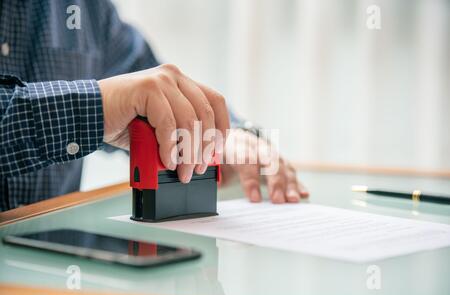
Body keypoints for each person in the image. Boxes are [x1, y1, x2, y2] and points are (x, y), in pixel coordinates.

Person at [0, 0, 308, 212]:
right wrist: (99, 106)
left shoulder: (84, 8)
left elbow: (145, 82)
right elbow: (116, 98)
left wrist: (233, 135)